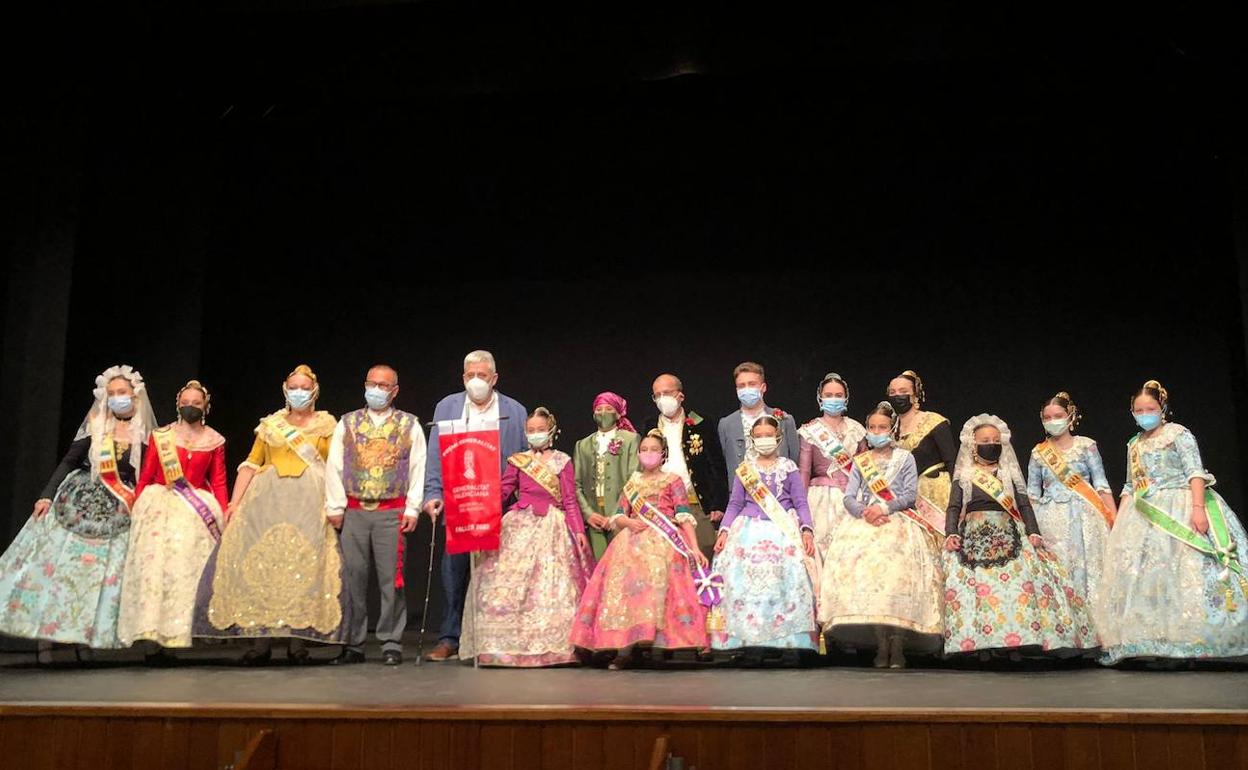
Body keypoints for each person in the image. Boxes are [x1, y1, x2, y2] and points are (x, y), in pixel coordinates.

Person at [0, 366, 156, 658]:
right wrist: (46, 494)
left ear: (135, 396)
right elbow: (69, 461)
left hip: (120, 508)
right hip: (79, 499)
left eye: (122, 393)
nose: (116, 398)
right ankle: (45, 640)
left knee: (96, 577)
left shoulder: (144, 433)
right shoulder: (97, 425)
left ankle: (84, 639)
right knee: (61, 570)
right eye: (111, 394)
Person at [193, 364, 345, 664]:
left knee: (302, 568)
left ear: (314, 391)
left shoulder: (326, 425)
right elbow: (250, 464)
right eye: (294, 387)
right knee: (263, 566)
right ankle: (260, 641)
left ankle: (296, 642)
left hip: (309, 502)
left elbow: (334, 468)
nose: (298, 392)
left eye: (304, 387)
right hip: (266, 503)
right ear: (285, 389)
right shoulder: (271, 425)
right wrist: (234, 504)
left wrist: (334, 504)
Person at [1096, 380, 1248, 666]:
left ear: (1162, 408)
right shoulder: (1134, 444)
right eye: (1138, 410)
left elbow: (1195, 472)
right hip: (1143, 513)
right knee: (1150, 576)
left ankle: (1194, 641)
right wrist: (1120, 525)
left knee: (1186, 571)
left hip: (1180, 505)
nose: (1144, 414)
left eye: (1150, 408)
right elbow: (1130, 485)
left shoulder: (1178, 434)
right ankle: (1156, 641)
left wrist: (1198, 508)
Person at [942, 414, 1094, 659]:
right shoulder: (965, 475)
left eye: (994, 439)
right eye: (984, 440)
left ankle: (1016, 644)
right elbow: (953, 507)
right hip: (973, 534)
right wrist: (950, 533)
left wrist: (1033, 531)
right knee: (979, 590)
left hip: (1009, 530)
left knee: (1015, 588)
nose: (990, 443)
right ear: (972, 444)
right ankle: (983, 646)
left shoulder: (1009, 473)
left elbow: (1023, 505)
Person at [459, 407, 595, 666]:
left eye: (540, 430)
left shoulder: (562, 461)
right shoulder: (517, 461)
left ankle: (552, 649)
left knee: (551, 585)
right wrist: (481, 509)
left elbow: (569, 500)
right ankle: (500, 648)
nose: (535, 434)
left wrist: (578, 530)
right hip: (518, 525)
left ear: (551, 431)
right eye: (530, 431)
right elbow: (504, 491)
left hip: (552, 526)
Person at [570, 429, 710, 669]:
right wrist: (627, 522)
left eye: (654, 449)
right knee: (626, 589)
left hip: (665, 541)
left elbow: (684, 516)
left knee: (661, 586)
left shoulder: (673, 480)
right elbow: (619, 514)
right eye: (644, 449)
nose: (648, 454)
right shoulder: (632, 482)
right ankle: (625, 648)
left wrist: (694, 548)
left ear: (663, 454)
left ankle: (662, 644)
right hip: (631, 541)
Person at [421, 350, 528, 662]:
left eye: (483, 375)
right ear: (463, 378)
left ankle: (492, 637)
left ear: (494, 378)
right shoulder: (447, 407)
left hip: (499, 505)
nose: (476, 381)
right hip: (459, 504)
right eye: (471, 376)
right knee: (452, 574)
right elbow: (434, 457)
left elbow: (522, 461)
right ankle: (450, 637)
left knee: (497, 576)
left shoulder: (515, 411)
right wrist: (432, 494)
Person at [820, 402, 943, 669]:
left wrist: (884, 507)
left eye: (882, 427)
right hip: (864, 522)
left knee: (894, 583)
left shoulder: (906, 458)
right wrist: (865, 511)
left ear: (892, 429)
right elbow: (849, 497)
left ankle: (897, 645)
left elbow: (910, 496)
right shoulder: (861, 461)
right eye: (872, 427)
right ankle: (880, 644)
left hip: (897, 521)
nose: (877, 431)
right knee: (870, 582)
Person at [117, 380, 228, 658]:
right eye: (186, 403)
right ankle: (151, 636)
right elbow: (146, 474)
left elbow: (218, 481)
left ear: (206, 407)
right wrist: (137, 503)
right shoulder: (162, 435)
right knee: (157, 571)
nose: (190, 407)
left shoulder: (214, 440)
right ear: (179, 404)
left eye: (197, 403)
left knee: (183, 571)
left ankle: (177, 635)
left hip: (195, 510)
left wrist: (225, 514)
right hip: (161, 506)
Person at [324, 364, 426, 665]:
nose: (376, 389)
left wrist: (413, 507)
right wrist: (335, 506)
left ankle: (391, 641)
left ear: (394, 391)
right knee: (352, 579)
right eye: (372, 383)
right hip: (355, 511)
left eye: (383, 385)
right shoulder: (348, 423)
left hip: (391, 511)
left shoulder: (409, 425)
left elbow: (418, 467)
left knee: (390, 580)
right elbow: (335, 465)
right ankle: (353, 643)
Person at [712, 415, 818, 656]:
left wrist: (806, 530)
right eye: (758, 436)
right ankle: (750, 644)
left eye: (768, 435)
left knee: (786, 579)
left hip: (783, 530)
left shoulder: (788, 468)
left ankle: (786, 644)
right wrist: (725, 531)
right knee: (745, 582)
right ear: (752, 440)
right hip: (748, 530)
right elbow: (735, 503)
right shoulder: (745, 470)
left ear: (778, 437)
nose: (764, 440)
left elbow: (801, 502)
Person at [1026, 391, 1115, 611]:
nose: (1052, 421)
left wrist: (1115, 520)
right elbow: (1032, 494)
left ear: (1070, 416)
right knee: (1057, 567)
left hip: (1086, 515)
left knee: (1089, 567)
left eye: (1058, 415)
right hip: (1050, 519)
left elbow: (1101, 485)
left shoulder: (1086, 446)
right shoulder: (1038, 453)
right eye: (1047, 417)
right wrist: (1030, 527)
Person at [641, 373, 726, 558]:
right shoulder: (649, 424)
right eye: (657, 395)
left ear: (680, 396)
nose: (662, 399)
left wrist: (718, 504)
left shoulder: (701, 422)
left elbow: (717, 464)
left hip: (696, 504)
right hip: (661, 507)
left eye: (667, 393)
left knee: (702, 556)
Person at [798, 372, 867, 560]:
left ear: (846, 398)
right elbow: (803, 473)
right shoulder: (810, 430)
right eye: (828, 395)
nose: (833, 399)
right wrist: (801, 512)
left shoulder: (857, 429)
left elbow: (867, 470)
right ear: (820, 398)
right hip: (821, 500)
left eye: (838, 395)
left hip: (854, 497)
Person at [887, 370, 957, 534]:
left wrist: (958, 503)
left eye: (903, 392)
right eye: (893, 392)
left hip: (937, 494)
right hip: (906, 497)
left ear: (915, 395)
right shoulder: (889, 431)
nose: (897, 396)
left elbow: (953, 462)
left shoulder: (934, 422)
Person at [573, 392, 640, 560]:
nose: (603, 413)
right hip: (594, 517)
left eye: (608, 408)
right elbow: (576, 483)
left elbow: (634, 478)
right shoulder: (582, 445)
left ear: (618, 413)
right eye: (599, 409)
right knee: (597, 567)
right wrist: (588, 514)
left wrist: (617, 514)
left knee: (621, 565)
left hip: (621, 516)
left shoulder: (630, 439)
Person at [718, 362, 798, 486]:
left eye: (752, 384)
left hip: (780, 495)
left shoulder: (784, 420)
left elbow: (795, 459)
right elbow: (722, 465)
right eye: (741, 386)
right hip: (741, 497)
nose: (747, 389)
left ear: (763, 387)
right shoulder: (726, 424)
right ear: (736, 390)